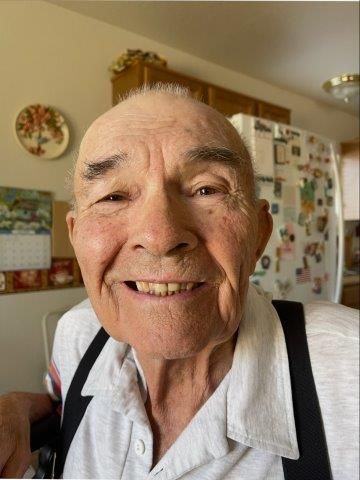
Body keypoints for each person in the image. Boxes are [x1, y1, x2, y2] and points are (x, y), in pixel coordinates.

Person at [0, 84, 358, 479]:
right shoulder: (77, 333)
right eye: (114, 196)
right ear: (77, 237)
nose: (160, 236)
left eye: (207, 189)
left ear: (258, 235)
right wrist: (14, 409)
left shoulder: (348, 369)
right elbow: (58, 404)